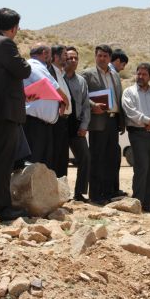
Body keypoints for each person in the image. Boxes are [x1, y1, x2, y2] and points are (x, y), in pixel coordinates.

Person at [0, 8, 32, 221]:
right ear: (13, 27)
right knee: (2, 163)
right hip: (4, 112)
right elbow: (24, 70)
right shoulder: (4, 43)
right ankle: (2, 208)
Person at [81, 44, 124, 204]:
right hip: (98, 121)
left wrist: (122, 121)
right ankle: (96, 194)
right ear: (95, 56)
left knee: (111, 158)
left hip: (113, 121)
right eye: (99, 55)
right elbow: (81, 95)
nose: (102, 58)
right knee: (97, 158)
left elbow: (119, 97)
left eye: (105, 56)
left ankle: (109, 191)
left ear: (110, 58)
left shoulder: (115, 75)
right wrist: (93, 105)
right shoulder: (87, 74)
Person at [122, 63, 150, 212]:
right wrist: (148, 121)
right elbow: (130, 112)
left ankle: (148, 204)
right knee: (142, 167)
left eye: (144, 74)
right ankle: (138, 202)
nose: (140, 76)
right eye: (138, 73)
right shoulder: (129, 92)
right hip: (137, 133)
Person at [23, 43, 66, 168]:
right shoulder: (34, 65)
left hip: (43, 125)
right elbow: (51, 85)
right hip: (34, 124)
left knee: (44, 165)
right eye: (50, 55)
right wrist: (64, 100)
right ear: (45, 53)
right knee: (34, 164)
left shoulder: (41, 67)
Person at [65, 46, 91, 201]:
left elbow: (86, 105)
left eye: (75, 58)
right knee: (61, 160)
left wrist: (84, 126)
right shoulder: (57, 77)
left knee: (85, 158)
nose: (73, 60)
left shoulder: (81, 81)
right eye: (69, 58)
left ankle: (79, 193)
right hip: (60, 125)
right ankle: (61, 193)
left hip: (76, 125)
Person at [47, 45, 72, 178]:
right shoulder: (49, 72)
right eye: (65, 55)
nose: (67, 58)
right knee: (55, 158)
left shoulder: (62, 74)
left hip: (65, 122)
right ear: (56, 57)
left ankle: (62, 187)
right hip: (56, 121)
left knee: (63, 159)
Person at [108, 48, 129, 197]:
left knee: (115, 156)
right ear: (117, 61)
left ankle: (113, 189)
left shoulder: (114, 74)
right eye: (123, 64)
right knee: (110, 157)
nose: (123, 68)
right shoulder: (110, 73)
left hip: (113, 121)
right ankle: (110, 189)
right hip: (106, 120)